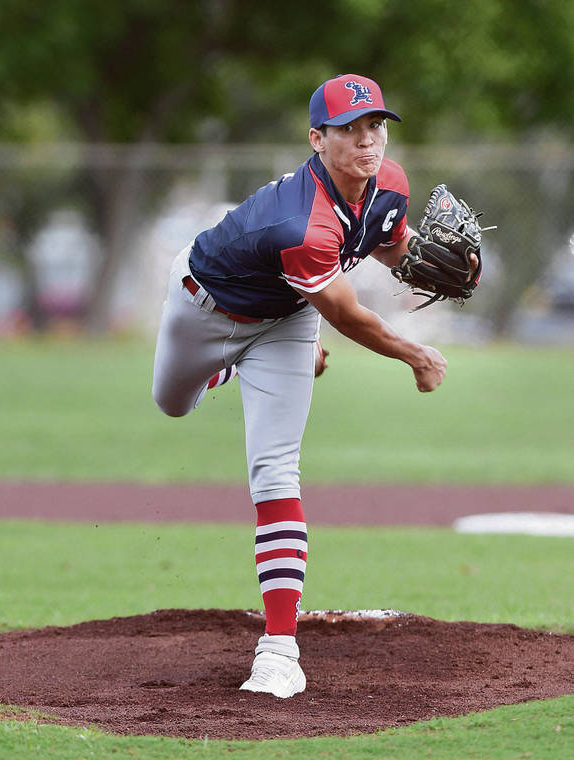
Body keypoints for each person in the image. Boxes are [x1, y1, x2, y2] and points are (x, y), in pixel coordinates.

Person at [152, 74, 465, 699]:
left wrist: (426, 263)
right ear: (316, 139)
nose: (367, 140)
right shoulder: (299, 223)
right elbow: (348, 316)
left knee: (275, 473)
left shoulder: (391, 183)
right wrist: (416, 356)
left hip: (288, 321)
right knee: (173, 403)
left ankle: (278, 649)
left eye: (375, 125)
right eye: (349, 129)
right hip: (204, 308)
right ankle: (229, 366)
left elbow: (388, 241)